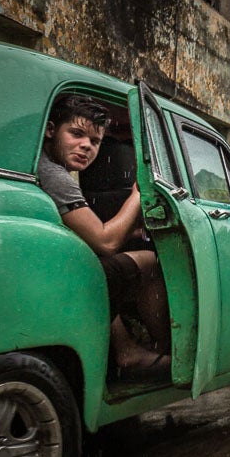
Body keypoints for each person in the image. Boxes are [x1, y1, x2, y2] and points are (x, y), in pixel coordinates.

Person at [38, 94, 171, 378]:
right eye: (76, 134)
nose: (86, 145)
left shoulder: (46, 166)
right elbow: (106, 241)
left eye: (95, 141)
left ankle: (125, 348)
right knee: (149, 262)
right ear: (51, 130)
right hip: (60, 281)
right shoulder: (53, 175)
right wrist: (139, 192)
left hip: (50, 270)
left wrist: (130, 230)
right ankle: (161, 349)